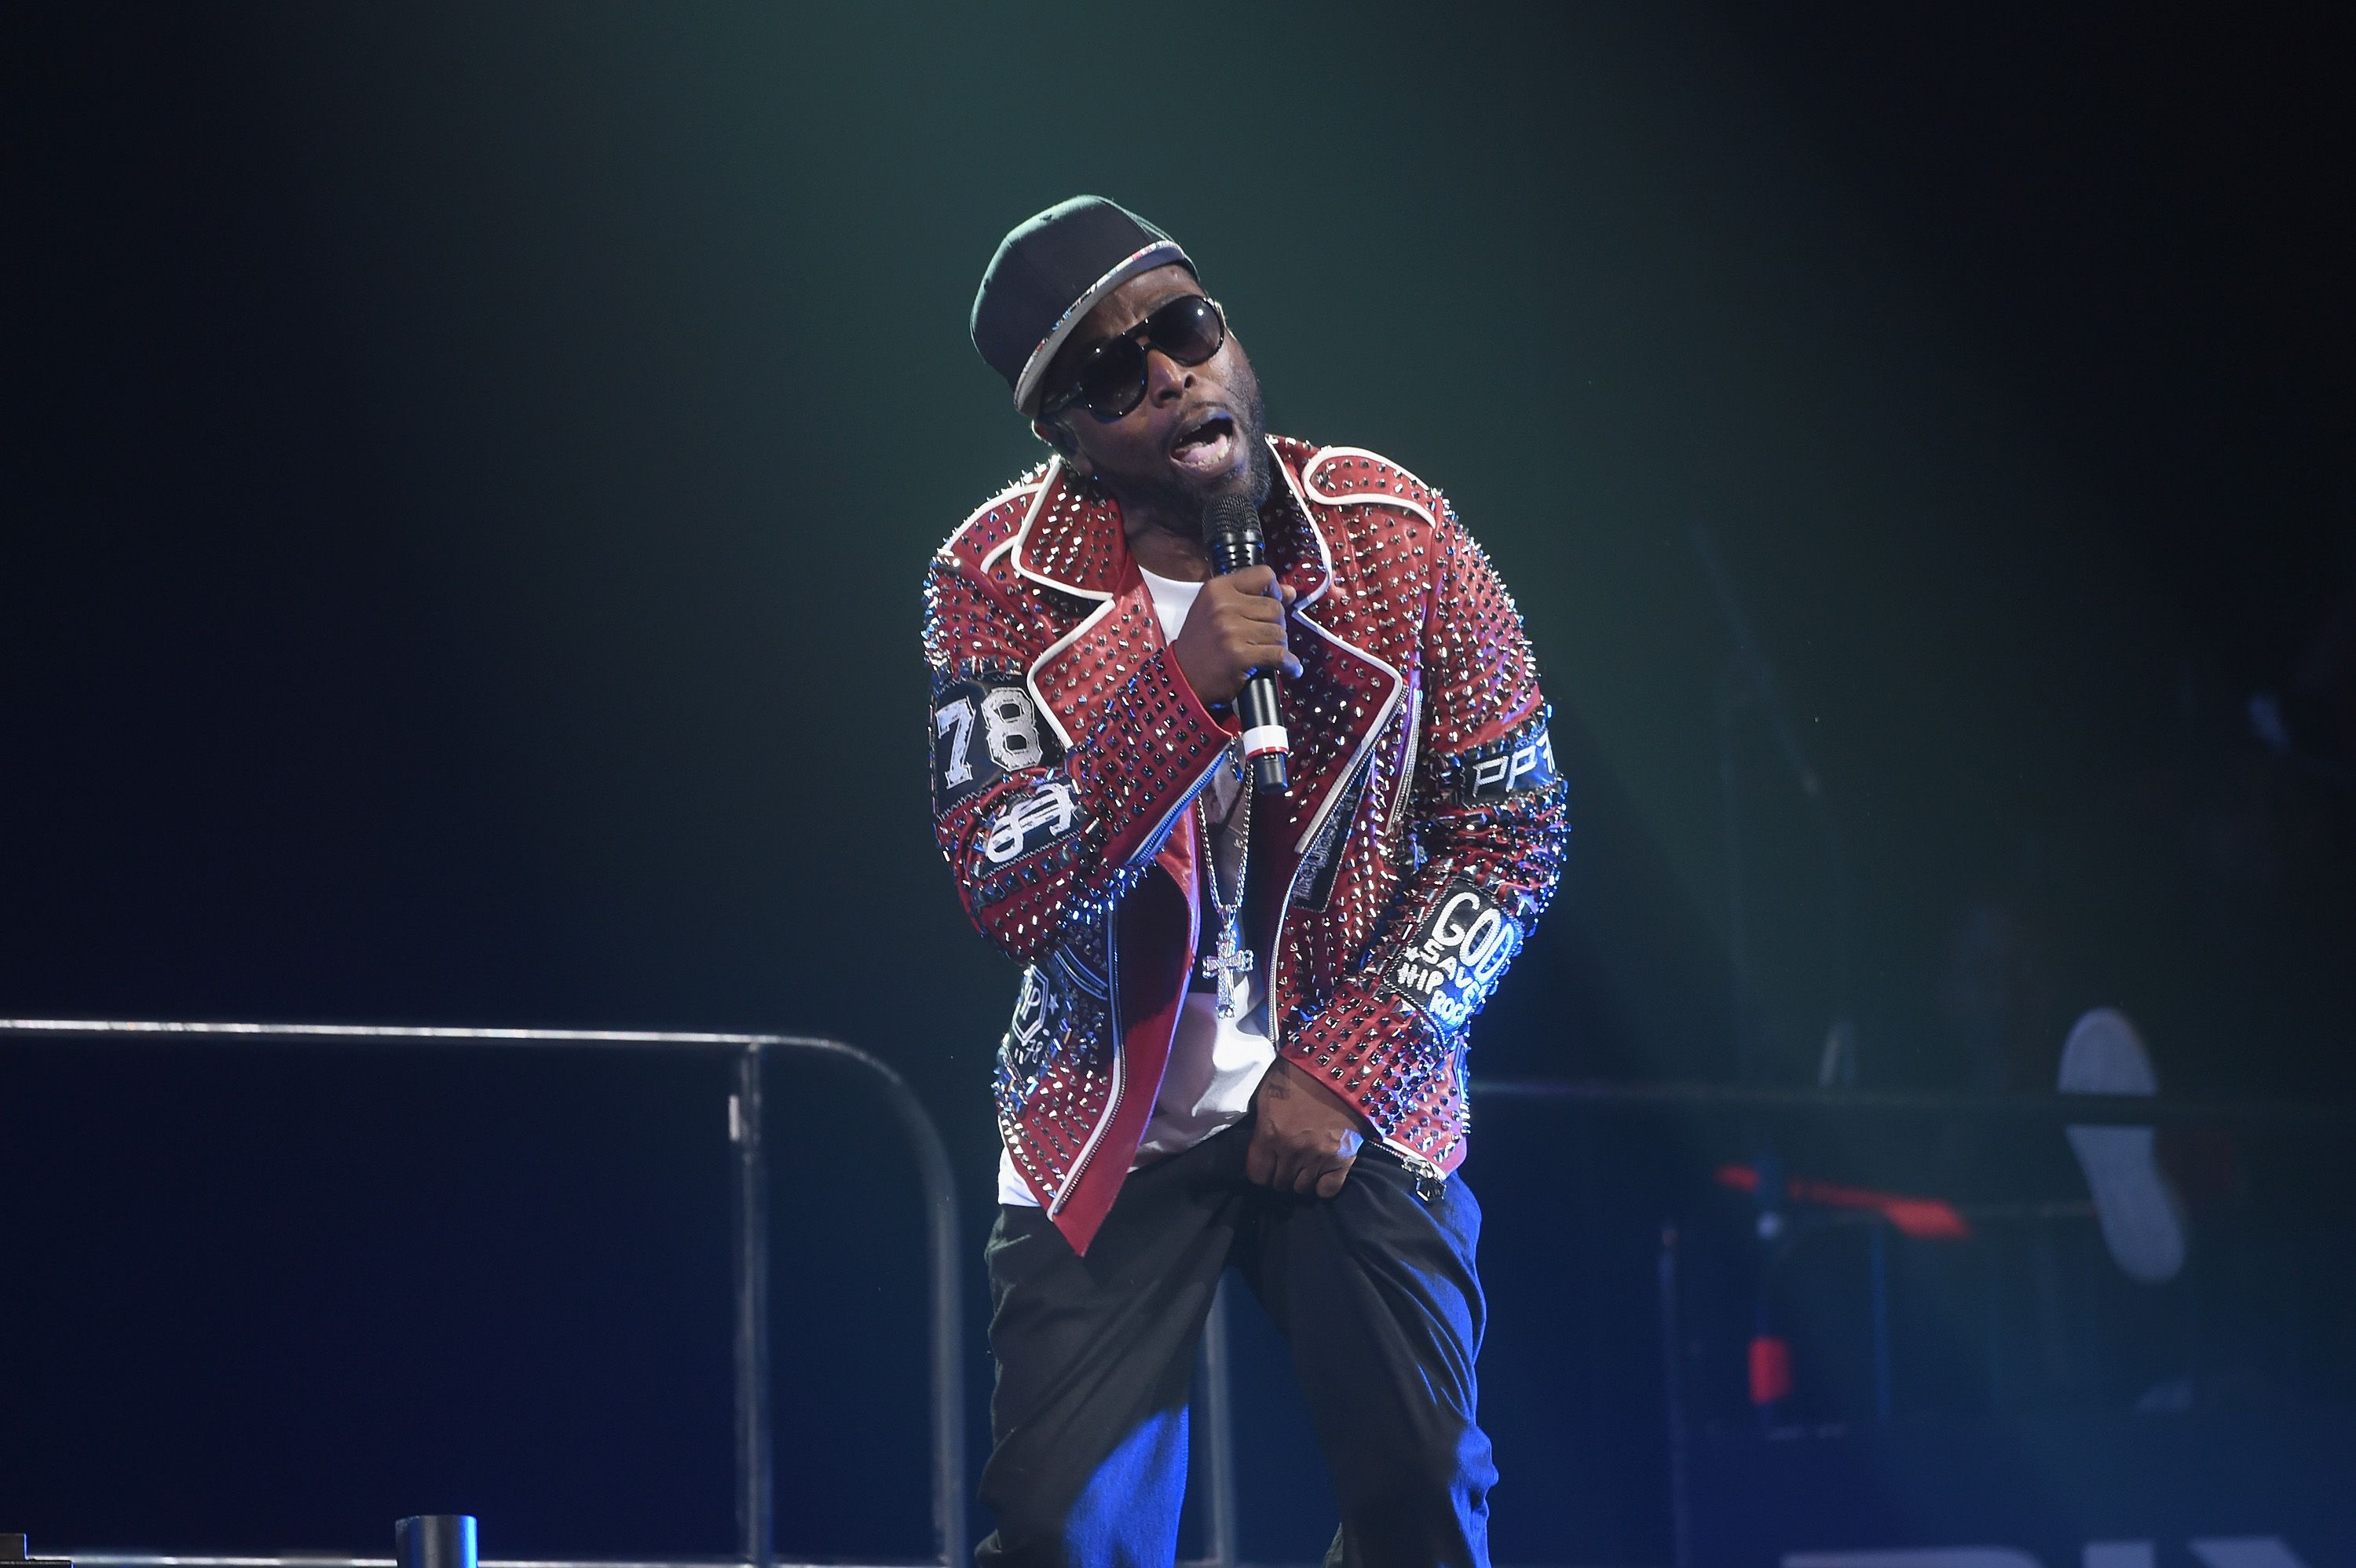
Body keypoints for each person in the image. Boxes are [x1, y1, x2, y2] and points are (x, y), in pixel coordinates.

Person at [924, 196, 1569, 1566]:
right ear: (1069, 434)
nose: (1170, 372)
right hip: (1106, 1112)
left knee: (1423, 1491)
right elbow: (1007, 885)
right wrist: (1180, 695)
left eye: (1185, 327)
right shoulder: (991, 580)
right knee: (1057, 1531)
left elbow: (1514, 826)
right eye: (1115, 370)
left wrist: (1354, 1062)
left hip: (1353, 1092)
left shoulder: (1395, 535)